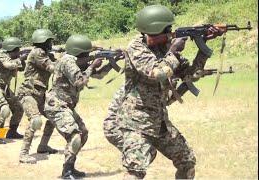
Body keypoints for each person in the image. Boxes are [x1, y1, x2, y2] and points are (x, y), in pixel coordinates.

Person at [117, 5, 223, 179]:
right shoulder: (136, 48)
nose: (170, 33)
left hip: (160, 123)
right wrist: (173, 52)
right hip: (137, 123)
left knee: (187, 161)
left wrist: (203, 47)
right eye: (167, 29)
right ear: (154, 28)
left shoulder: (164, 48)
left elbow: (191, 75)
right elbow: (157, 73)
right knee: (135, 172)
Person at [43, 35, 103, 179]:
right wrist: (92, 66)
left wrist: (98, 67)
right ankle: (67, 172)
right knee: (75, 136)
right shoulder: (68, 61)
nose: (88, 55)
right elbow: (79, 82)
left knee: (83, 133)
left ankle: (70, 166)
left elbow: (86, 75)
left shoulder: (71, 60)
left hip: (65, 105)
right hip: (57, 105)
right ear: (79, 52)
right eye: (86, 53)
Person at [17, 29, 59, 164]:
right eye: (50, 41)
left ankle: (43, 146)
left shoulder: (44, 53)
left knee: (54, 115)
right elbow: (52, 68)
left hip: (40, 94)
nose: (51, 43)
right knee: (35, 120)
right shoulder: (37, 53)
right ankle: (23, 154)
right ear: (44, 42)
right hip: (28, 93)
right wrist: (68, 61)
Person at [0, 37, 26, 144]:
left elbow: (21, 68)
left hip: (5, 88)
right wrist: (20, 59)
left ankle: (12, 132)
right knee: (4, 109)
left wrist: (24, 59)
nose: (18, 51)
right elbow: (8, 65)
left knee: (19, 108)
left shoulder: (12, 57)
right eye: (17, 49)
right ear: (11, 49)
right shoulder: (2, 55)